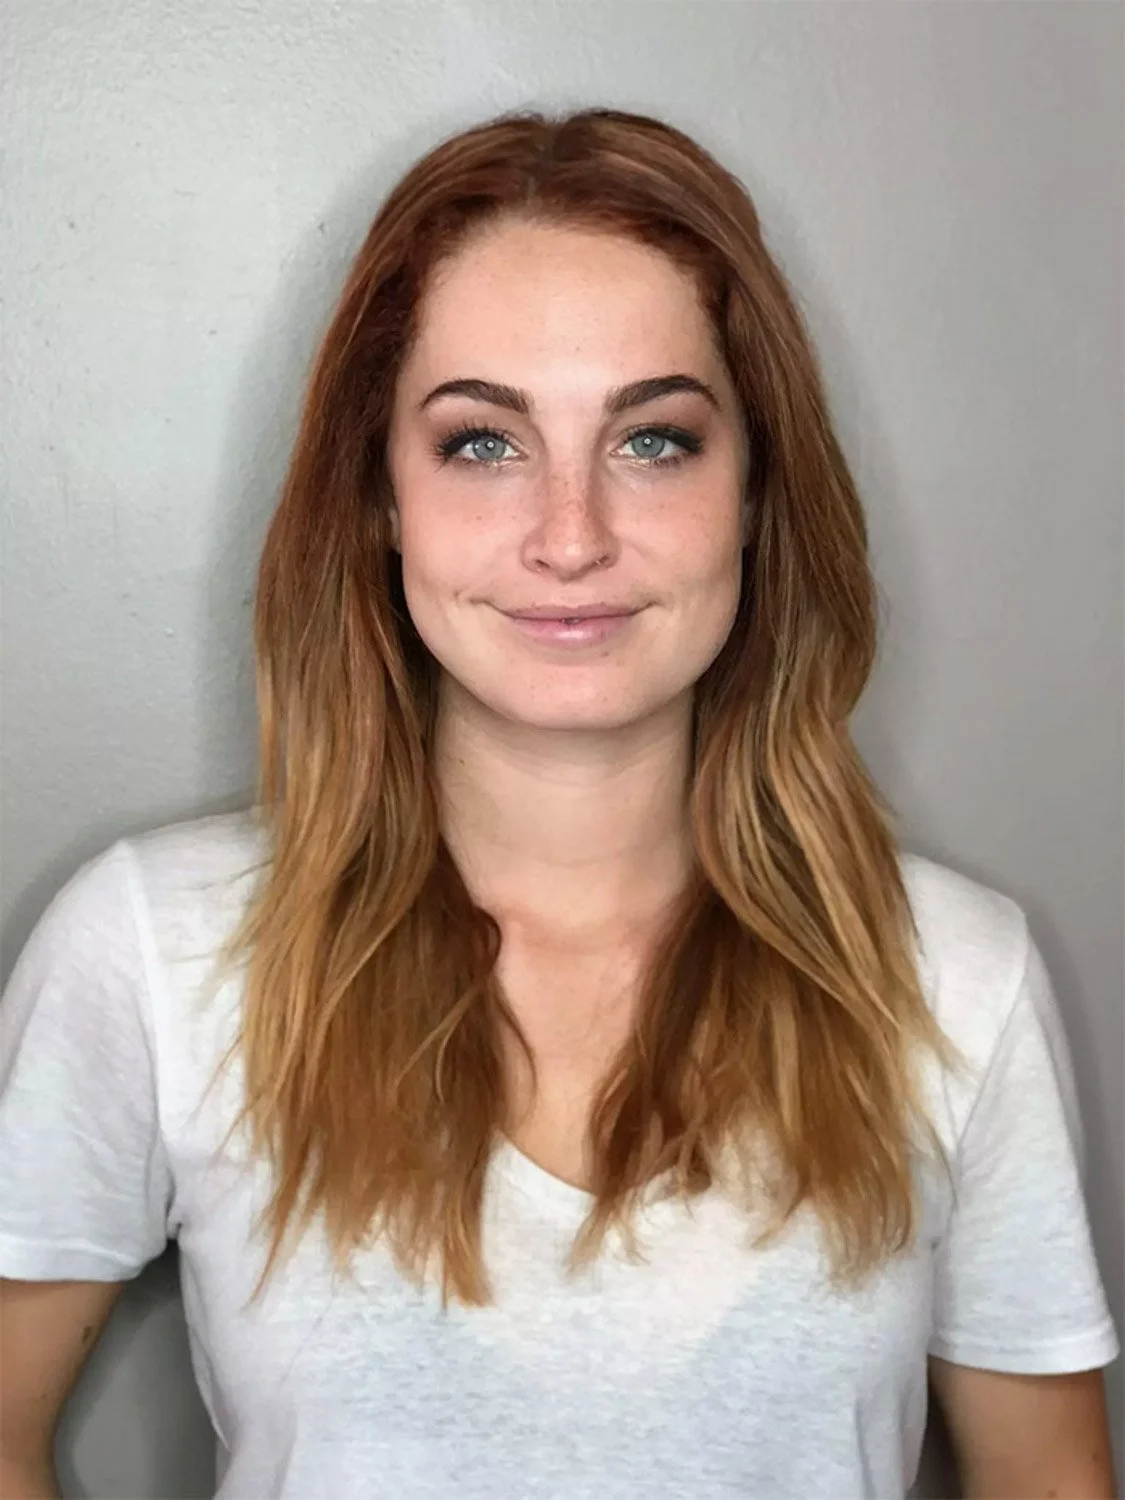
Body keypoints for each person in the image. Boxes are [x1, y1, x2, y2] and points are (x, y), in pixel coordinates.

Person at [0, 106, 1118, 1500]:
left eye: (656, 441)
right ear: (380, 500)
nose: (572, 534)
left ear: (759, 494)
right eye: (482, 443)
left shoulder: (956, 978)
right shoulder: (152, 954)